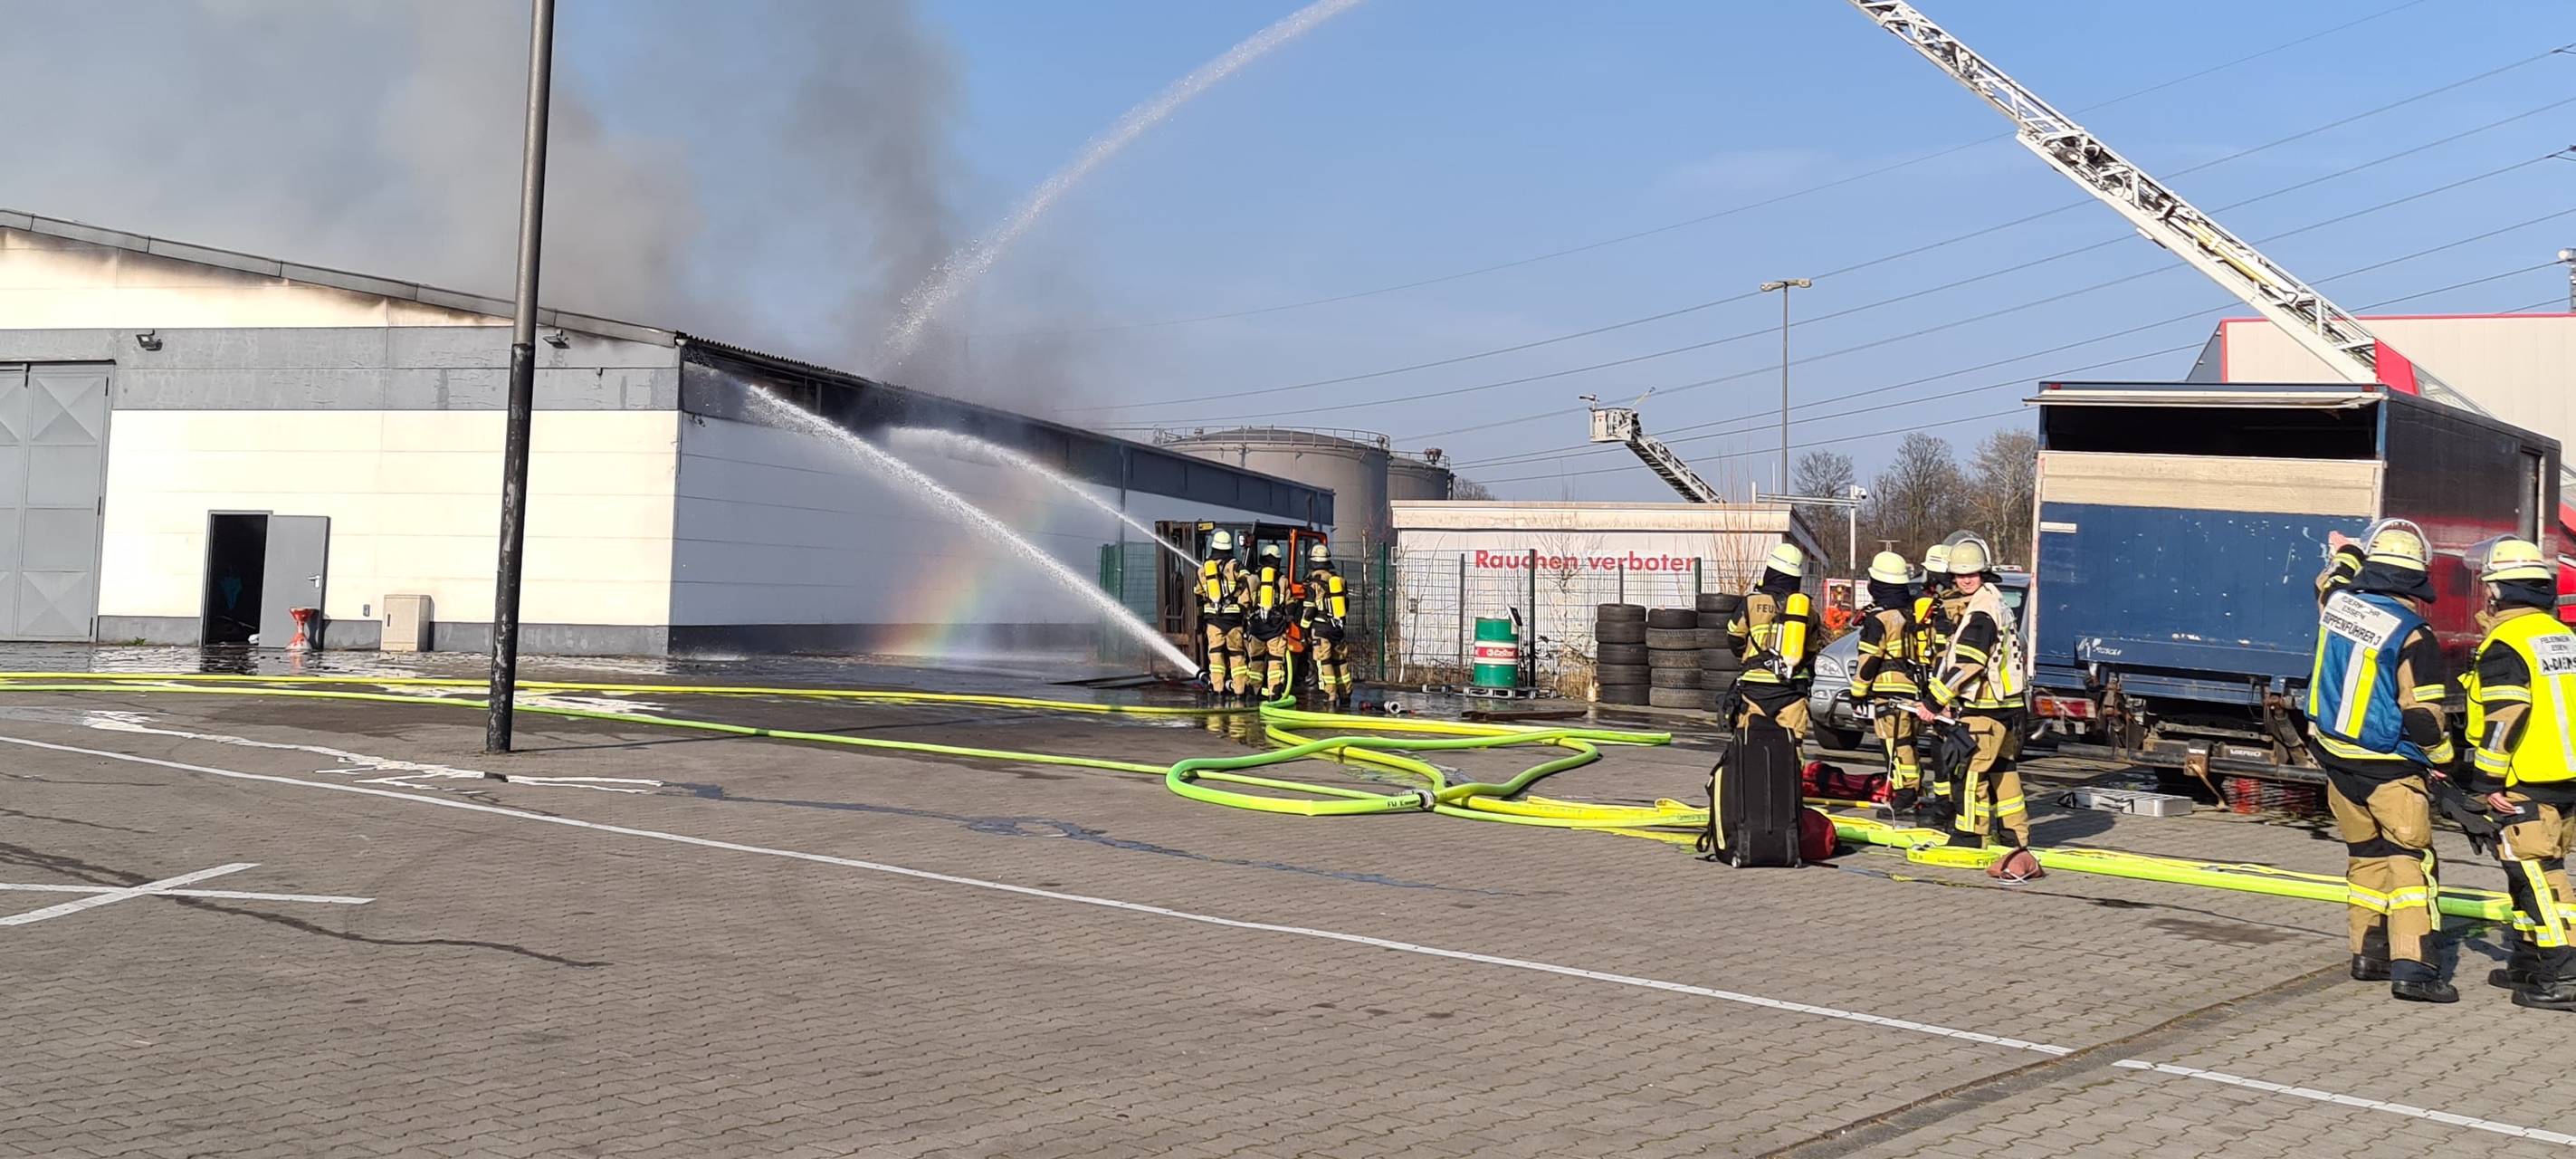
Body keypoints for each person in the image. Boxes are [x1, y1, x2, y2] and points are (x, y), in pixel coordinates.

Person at [2305, 520, 2459, 1003]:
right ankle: (2414, 968)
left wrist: (2349, 550)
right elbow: (2424, 720)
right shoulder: (2415, 635)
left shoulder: (2337, 605)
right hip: (2391, 768)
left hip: (2335, 760)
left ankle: (2368, 954)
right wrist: (2447, 764)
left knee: (2365, 858)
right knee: (2411, 864)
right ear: (2416, 579)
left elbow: (2328, 578)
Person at [2461, 537, 2576, 1010]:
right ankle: (2529, 962)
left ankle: (2565, 974)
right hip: (2565, 775)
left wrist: (2486, 782)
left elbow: (2506, 715)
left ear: (2497, 592)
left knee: (2539, 875)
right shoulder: (2562, 636)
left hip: (2526, 779)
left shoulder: (2506, 644)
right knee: (2523, 871)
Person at [1917, 534, 2030, 853]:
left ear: (1983, 573)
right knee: (2003, 770)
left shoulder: (1980, 611)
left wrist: (1933, 701)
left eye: (1971, 574)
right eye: (1960, 575)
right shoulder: (1996, 600)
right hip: (2008, 706)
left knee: (1969, 772)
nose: (1965, 580)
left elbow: (1969, 663)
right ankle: (2015, 836)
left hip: (1984, 707)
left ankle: (1970, 836)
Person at [1849, 551, 1925, 812]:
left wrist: (1857, 693)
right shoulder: (1915, 610)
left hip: (1890, 689)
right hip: (1917, 687)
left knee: (1895, 743)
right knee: (1909, 742)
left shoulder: (1880, 618)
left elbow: (1869, 660)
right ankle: (1913, 787)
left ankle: (1906, 792)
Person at [1728, 543, 1817, 741]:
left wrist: (1750, 658)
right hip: (1793, 688)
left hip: (1756, 687)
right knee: (1793, 746)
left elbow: (1734, 638)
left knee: (1750, 743)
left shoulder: (1750, 603)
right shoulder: (1807, 610)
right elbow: (1812, 651)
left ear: (1770, 571)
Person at [1197, 530, 1249, 704]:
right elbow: (1247, 581)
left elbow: (1197, 591)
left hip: (1213, 621)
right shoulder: (1235, 565)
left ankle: (1218, 691)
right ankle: (1240, 692)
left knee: (1216, 656)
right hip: (1233, 621)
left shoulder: (1204, 569)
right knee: (1236, 656)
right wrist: (1242, 605)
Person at [1303, 542, 1354, 711]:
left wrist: (1304, 629)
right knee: (1340, 661)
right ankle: (1345, 695)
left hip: (1321, 629)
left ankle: (1329, 696)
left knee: (1323, 661)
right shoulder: (1339, 581)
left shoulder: (1314, 584)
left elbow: (1309, 610)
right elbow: (1345, 605)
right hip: (1337, 628)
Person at [1246, 544, 1293, 703]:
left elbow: (1243, 602)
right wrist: (1287, 619)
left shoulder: (1253, 579)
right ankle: (1275, 692)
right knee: (1275, 660)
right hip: (1276, 628)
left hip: (1257, 628)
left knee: (1256, 660)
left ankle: (1254, 691)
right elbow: (1290, 603)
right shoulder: (1282, 580)